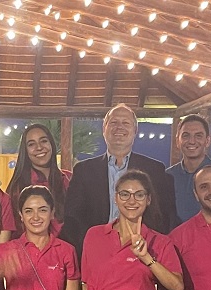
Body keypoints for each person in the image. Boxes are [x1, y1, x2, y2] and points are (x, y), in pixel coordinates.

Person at [62, 103, 178, 250]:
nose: (119, 127)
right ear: (104, 129)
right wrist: (90, 246)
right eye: (114, 122)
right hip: (96, 251)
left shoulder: (155, 170)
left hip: (142, 251)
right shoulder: (83, 170)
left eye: (126, 123)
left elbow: (165, 216)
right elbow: (72, 217)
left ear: (135, 130)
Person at [6, 123, 72, 225]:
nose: (39, 147)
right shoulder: (17, 188)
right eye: (31, 144)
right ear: (25, 151)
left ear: (51, 144)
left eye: (44, 141)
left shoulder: (70, 179)